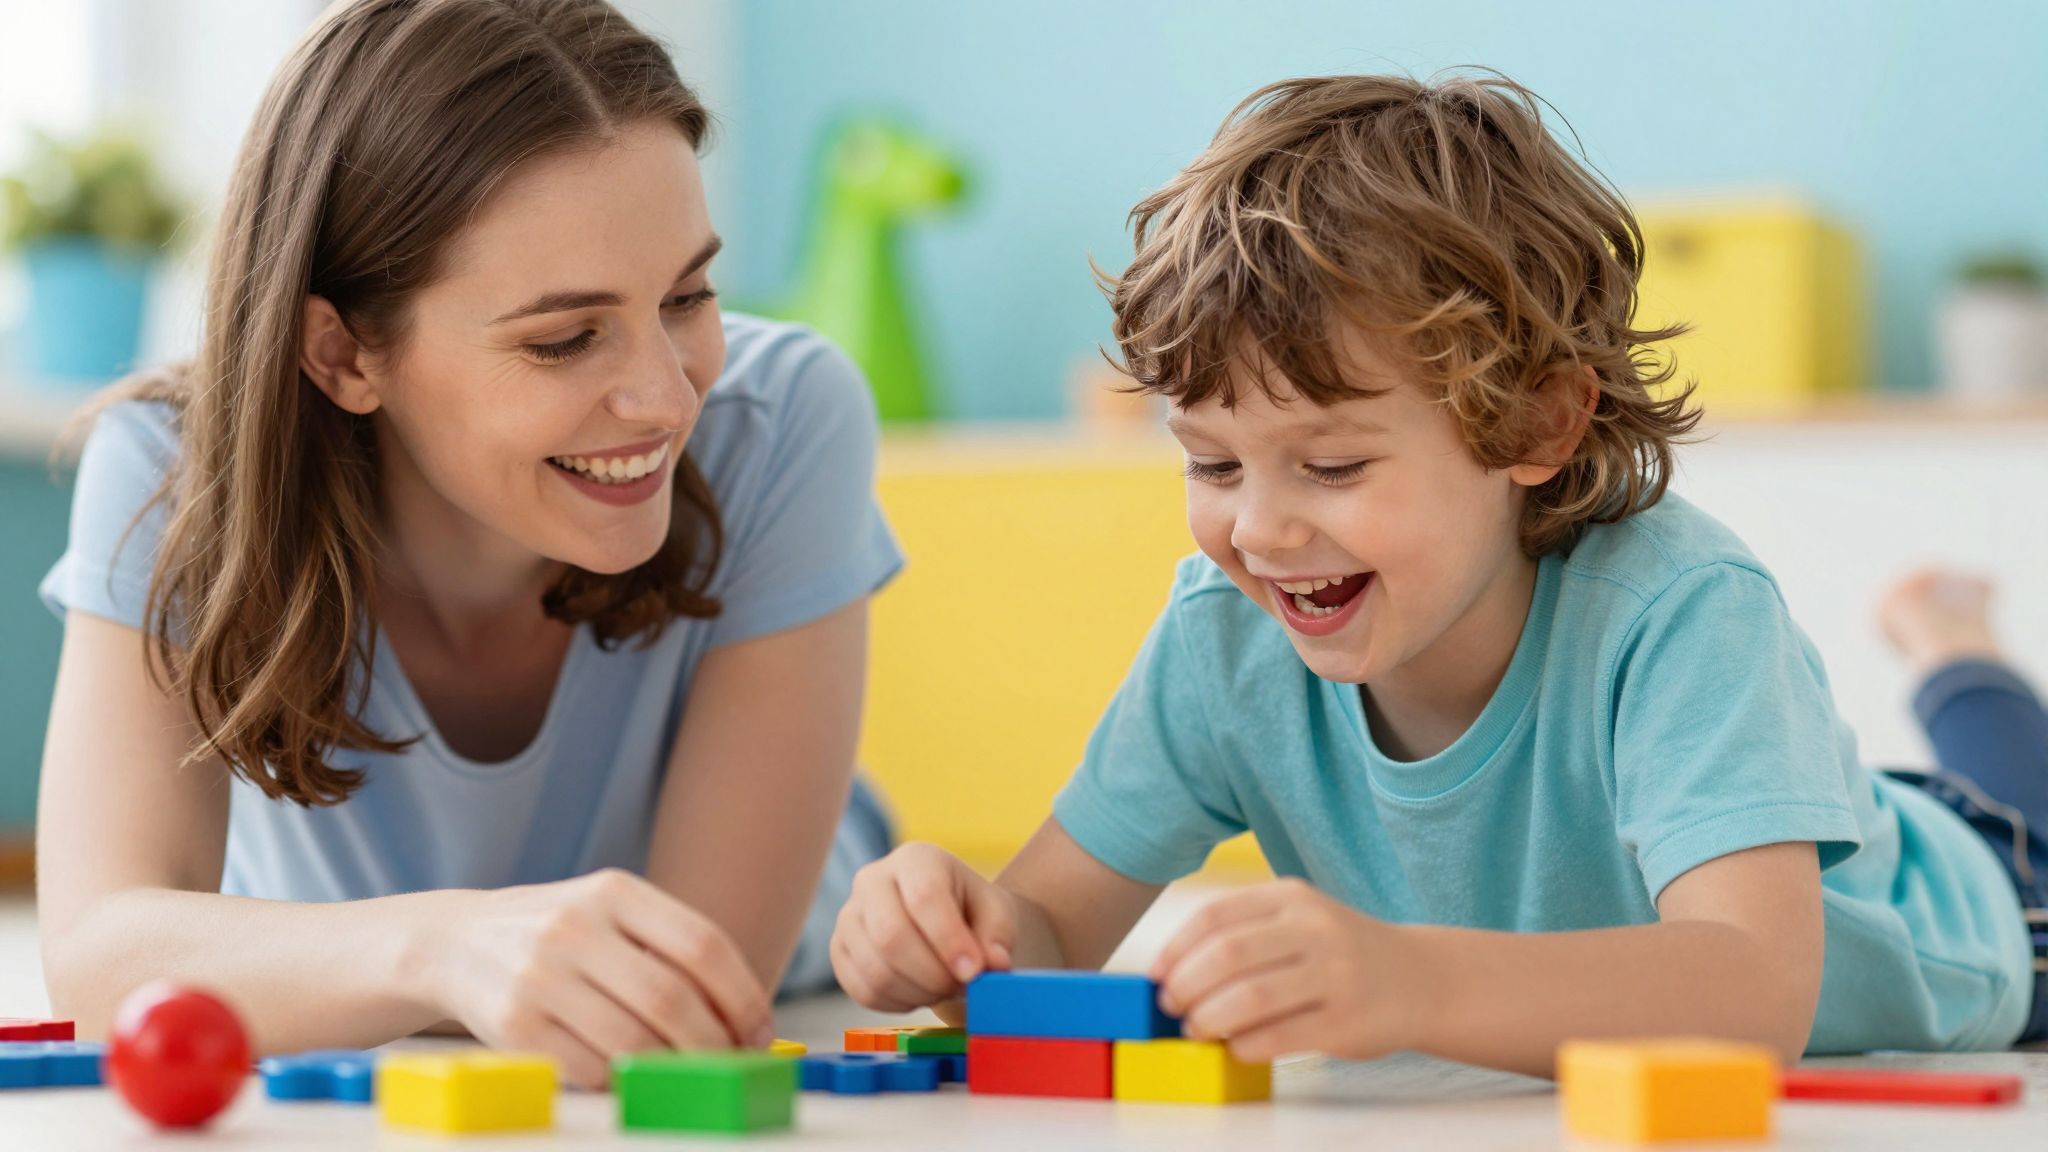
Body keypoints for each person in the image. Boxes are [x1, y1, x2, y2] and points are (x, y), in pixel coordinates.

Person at [828, 72, 2041, 1076]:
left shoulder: (1680, 611)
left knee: (2012, 790)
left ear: (1534, 427)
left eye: (1333, 464)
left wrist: (1401, 977)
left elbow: (1753, 991)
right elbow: (1047, 931)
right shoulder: (1223, 639)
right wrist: (955, 940)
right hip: (1769, 803)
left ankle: (1953, 651)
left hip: (1985, 916)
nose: (1257, 530)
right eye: (1208, 462)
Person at [37, 0, 898, 1089]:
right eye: (563, 339)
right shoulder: (170, 469)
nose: (665, 396)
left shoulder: (783, 419)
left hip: (808, 951)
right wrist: (447, 948)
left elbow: (683, 994)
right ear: (340, 352)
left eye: (686, 295)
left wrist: (379, 963)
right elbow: (99, 957)